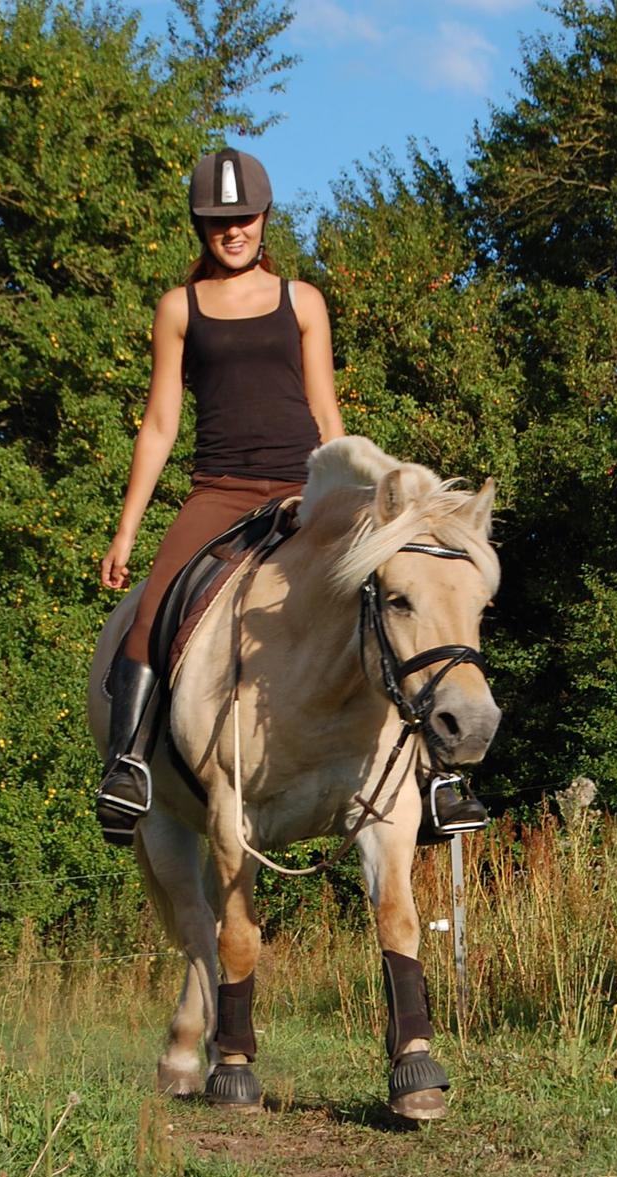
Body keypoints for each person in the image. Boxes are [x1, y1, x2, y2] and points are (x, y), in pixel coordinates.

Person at [96, 147, 486, 845]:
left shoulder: (301, 300)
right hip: (219, 489)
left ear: (264, 218)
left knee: (401, 592)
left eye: (243, 217)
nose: (233, 231)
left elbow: (325, 411)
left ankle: (438, 780)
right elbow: (159, 424)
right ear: (199, 227)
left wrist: (360, 495)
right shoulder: (178, 309)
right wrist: (126, 530)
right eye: (219, 222)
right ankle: (128, 768)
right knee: (154, 610)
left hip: (305, 486)